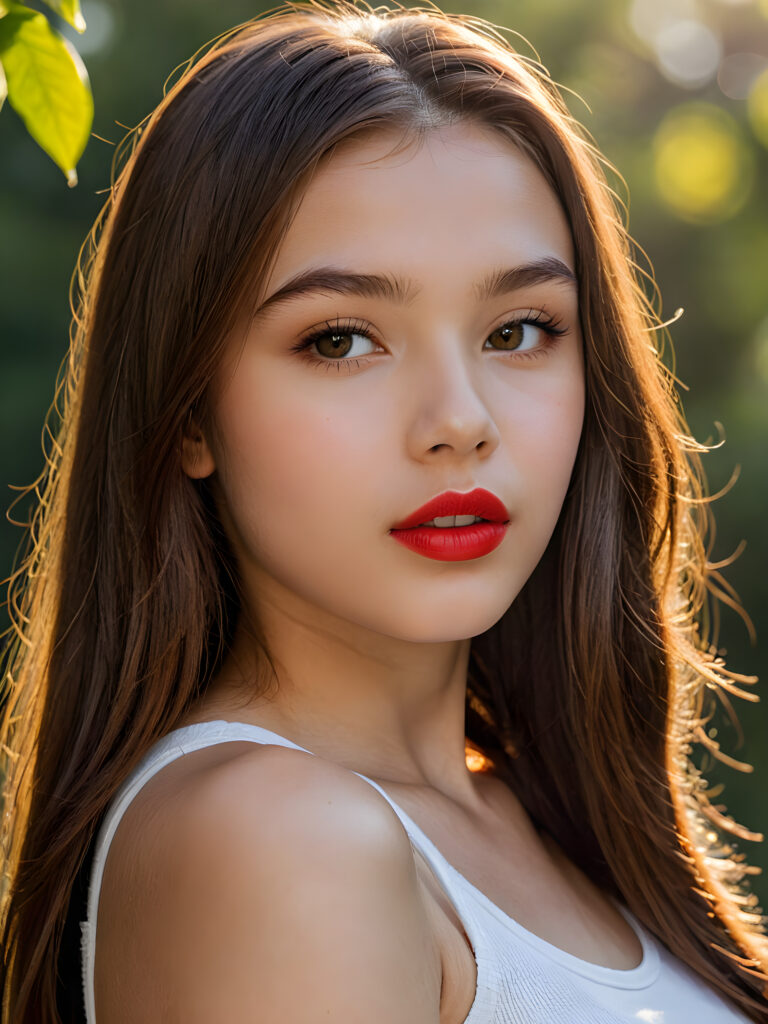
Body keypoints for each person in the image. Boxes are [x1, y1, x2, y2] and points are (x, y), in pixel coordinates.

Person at [1, 0, 766, 1021]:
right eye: (341, 340)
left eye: (518, 330)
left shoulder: (549, 819)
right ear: (187, 413)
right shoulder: (281, 841)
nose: (459, 422)